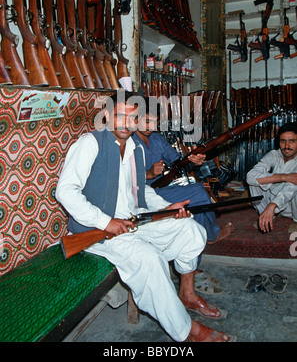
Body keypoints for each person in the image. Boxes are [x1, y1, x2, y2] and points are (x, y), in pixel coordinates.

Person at [56, 91, 235, 342]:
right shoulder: (90, 144)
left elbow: (142, 189)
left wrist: (166, 208)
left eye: (132, 118)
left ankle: (187, 295)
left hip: (133, 220)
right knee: (151, 261)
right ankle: (186, 331)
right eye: (118, 116)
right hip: (96, 232)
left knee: (192, 230)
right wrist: (105, 222)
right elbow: (65, 191)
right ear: (106, 115)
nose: (125, 124)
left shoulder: (134, 149)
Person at [132, 97, 234, 249]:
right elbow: (120, 175)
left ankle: (202, 241)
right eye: (147, 121)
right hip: (141, 195)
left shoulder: (157, 138)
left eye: (155, 121)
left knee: (198, 196)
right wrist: (147, 174)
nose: (151, 126)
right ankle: (211, 235)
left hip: (161, 189)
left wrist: (194, 160)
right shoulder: (128, 141)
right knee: (198, 193)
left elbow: (177, 162)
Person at [246, 122, 297, 233]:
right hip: (273, 204)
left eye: (292, 141)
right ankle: (268, 215)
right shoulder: (274, 155)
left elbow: (290, 189)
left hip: (292, 206)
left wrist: (273, 205)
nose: (287, 146)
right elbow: (250, 177)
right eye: (283, 141)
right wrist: (282, 177)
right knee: (254, 182)